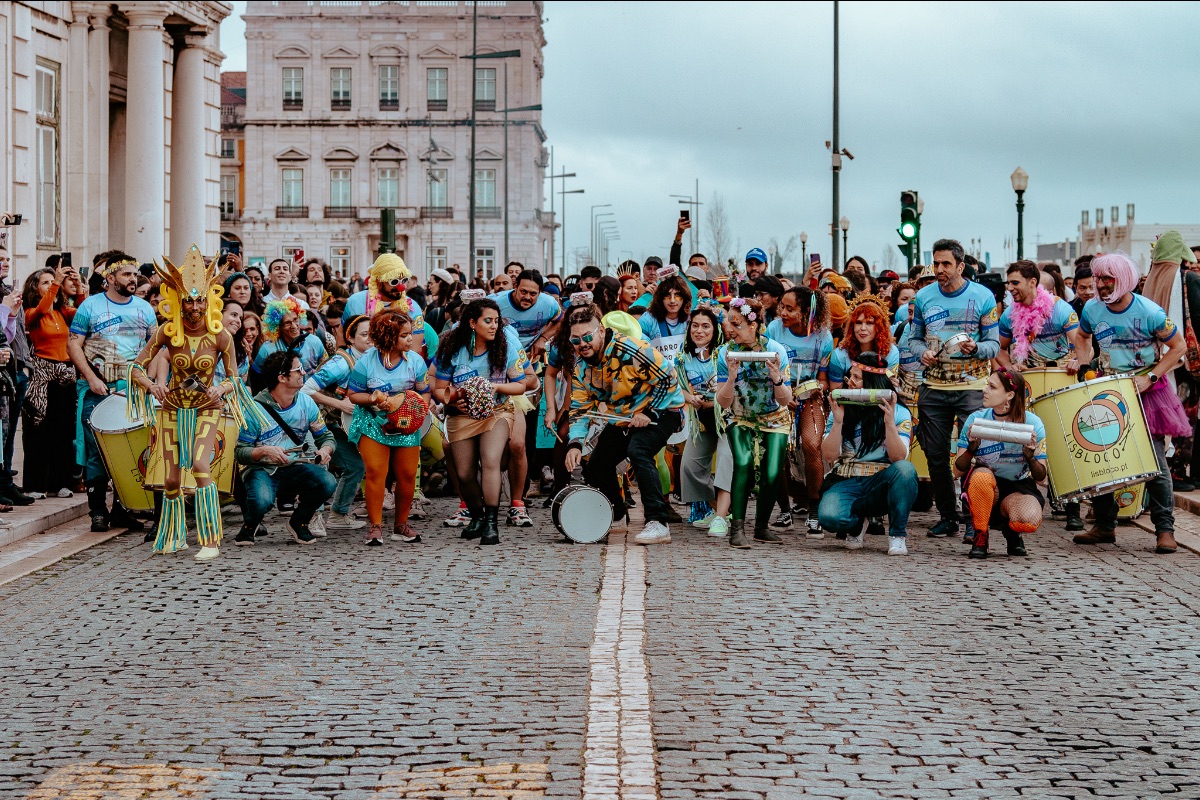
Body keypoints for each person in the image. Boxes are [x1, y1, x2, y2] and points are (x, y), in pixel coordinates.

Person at [127, 245, 263, 561]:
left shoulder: (221, 337)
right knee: (172, 478)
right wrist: (151, 385)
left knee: (201, 466)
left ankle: (210, 540)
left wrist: (223, 389)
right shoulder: (167, 333)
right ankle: (173, 536)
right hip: (173, 410)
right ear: (179, 302)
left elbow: (235, 377)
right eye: (188, 301)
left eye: (200, 300)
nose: (194, 306)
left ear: (208, 301)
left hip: (206, 409)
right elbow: (135, 367)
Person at [1074, 251, 1186, 554]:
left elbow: (1179, 347)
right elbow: (1082, 337)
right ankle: (1105, 527)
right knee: (1103, 459)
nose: (1100, 284)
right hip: (1106, 390)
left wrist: (1150, 377)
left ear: (1122, 279)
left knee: (1154, 462)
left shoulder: (1149, 311)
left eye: (1106, 278)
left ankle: (1165, 530)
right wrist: (1086, 365)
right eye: (1097, 278)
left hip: (1146, 393)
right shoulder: (1092, 309)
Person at [563, 302, 684, 545]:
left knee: (638, 450)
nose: (582, 344)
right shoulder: (580, 368)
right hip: (624, 418)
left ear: (600, 331)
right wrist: (574, 444)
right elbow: (579, 410)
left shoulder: (631, 348)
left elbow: (669, 379)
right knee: (596, 464)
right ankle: (615, 513)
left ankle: (658, 522)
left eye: (587, 336)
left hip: (663, 410)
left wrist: (648, 412)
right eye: (575, 340)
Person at [906, 238, 1000, 539]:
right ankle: (947, 516)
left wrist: (976, 348)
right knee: (935, 454)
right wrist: (922, 353)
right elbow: (913, 338)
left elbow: (994, 343)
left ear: (961, 265)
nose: (940, 269)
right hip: (934, 385)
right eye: (936, 263)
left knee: (976, 452)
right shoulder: (923, 297)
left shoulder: (983, 296)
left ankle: (977, 519)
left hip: (973, 386)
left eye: (946, 264)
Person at [432, 299, 536, 546]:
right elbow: (438, 387)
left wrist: (495, 386)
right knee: (464, 472)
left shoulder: (505, 346)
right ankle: (477, 516)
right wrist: (453, 400)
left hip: (497, 411)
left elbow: (521, 384)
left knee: (490, 462)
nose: (493, 326)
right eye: (487, 321)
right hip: (462, 415)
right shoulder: (453, 348)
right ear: (472, 322)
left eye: (496, 321)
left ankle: (491, 523)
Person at [68, 253, 157, 532]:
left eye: (134, 275)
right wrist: (91, 377)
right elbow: (73, 345)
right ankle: (97, 511)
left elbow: (156, 346)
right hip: (98, 388)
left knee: (129, 450)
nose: (133, 279)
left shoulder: (144, 308)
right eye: (127, 275)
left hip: (132, 391)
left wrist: (149, 381)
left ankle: (121, 508)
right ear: (110, 278)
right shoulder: (90, 306)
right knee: (96, 450)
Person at [233, 350, 337, 546]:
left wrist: (325, 450)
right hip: (262, 469)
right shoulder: (254, 409)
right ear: (282, 377)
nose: (304, 373)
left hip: (295, 466)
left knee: (327, 482)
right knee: (262, 499)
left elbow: (326, 437)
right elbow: (240, 453)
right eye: (298, 370)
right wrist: (264, 451)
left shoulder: (307, 403)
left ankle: (299, 521)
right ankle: (250, 523)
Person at [817, 352, 916, 555]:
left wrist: (889, 423)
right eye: (849, 377)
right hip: (848, 478)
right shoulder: (842, 405)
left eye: (856, 378)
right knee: (828, 517)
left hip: (880, 481)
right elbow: (828, 457)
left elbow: (899, 458)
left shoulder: (899, 412)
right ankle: (856, 525)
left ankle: (897, 535)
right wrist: (837, 422)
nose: (850, 383)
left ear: (872, 382)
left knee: (906, 471)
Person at [347, 309, 430, 546]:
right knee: (375, 472)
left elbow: (424, 391)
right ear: (388, 336)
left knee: (406, 474)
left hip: (406, 424)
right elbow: (354, 394)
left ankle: (400, 525)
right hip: (374, 423)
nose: (410, 339)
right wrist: (373, 399)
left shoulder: (416, 361)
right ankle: (375, 526)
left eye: (410, 334)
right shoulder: (367, 361)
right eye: (404, 335)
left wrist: (416, 411)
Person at [714, 297, 793, 548]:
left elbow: (785, 400)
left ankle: (761, 527)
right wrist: (731, 377)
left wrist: (776, 377)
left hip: (774, 416)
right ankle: (736, 527)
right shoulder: (725, 353)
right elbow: (723, 402)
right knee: (744, 462)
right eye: (729, 323)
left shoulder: (777, 350)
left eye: (736, 324)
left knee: (772, 472)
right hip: (740, 415)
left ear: (754, 325)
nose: (730, 329)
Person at [955, 368, 1048, 559]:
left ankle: (1012, 533)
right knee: (981, 476)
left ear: (1010, 395)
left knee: (1027, 520)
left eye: (992, 387)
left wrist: (1030, 456)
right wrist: (972, 448)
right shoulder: (976, 419)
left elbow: (1041, 478)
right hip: (984, 485)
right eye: (987, 385)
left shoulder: (1032, 422)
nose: (985, 391)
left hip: (1017, 487)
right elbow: (956, 470)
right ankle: (980, 535)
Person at [766, 286, 833, 534]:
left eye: (789, 308)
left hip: (809, 396)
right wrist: (782, 391)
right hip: (777, 394)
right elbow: (765, 366)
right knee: (777, 449)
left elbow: (824, 377)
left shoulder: (823, 336)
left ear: (806, 312)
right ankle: (784, 509)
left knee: (811, 444)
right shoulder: (774, 329)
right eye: (781, 306)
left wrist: (817, 388)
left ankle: (815, 510)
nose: (782, 311)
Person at [301, 313, 371, 531]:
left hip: (341, 426)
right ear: (350, 338)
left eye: (373, 334)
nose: (371, 339)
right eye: (365, 334)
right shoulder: (341, 363)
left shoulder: (371, 359)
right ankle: (310, 517)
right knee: (320, 469)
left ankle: (338, 514)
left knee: (356, 466)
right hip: (320, 426)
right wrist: (340, 404)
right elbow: (306, 390)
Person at [21, 262, 85, 498]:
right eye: (45, 283)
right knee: (39, 431)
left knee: (64, 430)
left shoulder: (62, 312)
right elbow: (41, 308)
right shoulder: (30, 313)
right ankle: (35, 484)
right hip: (42, 376)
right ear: (34, 288)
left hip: (66, 375)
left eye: (52, 282)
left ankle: (60, 482)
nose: (51, 286)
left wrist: (78, 287)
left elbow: (83, 314)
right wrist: (57, 282)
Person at [676, 305, 733, 537]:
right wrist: (691, 398)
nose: (699, 331)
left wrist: (714, 402)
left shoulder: (725, 354)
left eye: (706, 326)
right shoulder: (683, 356)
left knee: (725, 463)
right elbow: (677, 388)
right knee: (689, 466)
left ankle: (721, 516)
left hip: (727, 419)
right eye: (695, 326)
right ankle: (717, 510)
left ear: (715, 329)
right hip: (701, 419)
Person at [995, 261, 1082, 372]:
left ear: (1032, 282)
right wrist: (1009, 366)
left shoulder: (1060, 309)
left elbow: (1084, 345)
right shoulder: (1009, 314)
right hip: (1026, 379)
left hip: (1059, 375)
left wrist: (1077, 361)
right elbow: (998, 348)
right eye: (1009, 283)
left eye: (1015, 283)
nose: (1009, 288)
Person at [342, 253, 427, 357]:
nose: (400, 287)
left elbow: (415, 349)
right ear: (379, 281)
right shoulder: (355, 302)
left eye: (404, 280)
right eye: (394, 281)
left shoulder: (412, 307)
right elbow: (342, 339)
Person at [251, 297, 328, 388]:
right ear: (278, 326)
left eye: (295, 320)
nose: (294, 326)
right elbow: (256, 379)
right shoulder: (267, 348)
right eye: (287, 323)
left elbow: (326, 368)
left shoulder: (315, 341)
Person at [827, 297, 898, 390]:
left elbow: (889, 392)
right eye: (858, 323)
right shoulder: (839, 355)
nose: (863, 328)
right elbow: (836, 393)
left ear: (880, 327)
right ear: (852, 326)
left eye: (869, 323)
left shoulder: (891, 352)